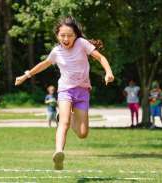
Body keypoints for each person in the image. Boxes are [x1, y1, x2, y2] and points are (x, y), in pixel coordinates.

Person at [15, 16, 114, 170]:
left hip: (82, 92)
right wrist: (25, 76)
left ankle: (63, 115)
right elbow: (44, 64)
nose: (66, 38)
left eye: (69, 35)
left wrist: (108, 72)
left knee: (82, 134)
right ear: (57, 36)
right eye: (62, 35)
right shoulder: (56, 52)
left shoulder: (82, 44)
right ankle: (59, 152)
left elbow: (100, 57)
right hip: (65, 90)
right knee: (64, 124)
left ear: (75, 36)